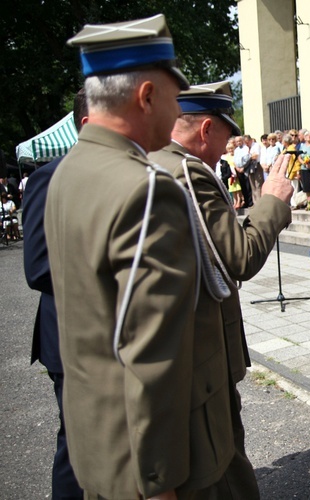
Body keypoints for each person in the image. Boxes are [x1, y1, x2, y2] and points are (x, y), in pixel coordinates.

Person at [44, 15, 230, 498]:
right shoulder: (147, 190)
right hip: (149, 467)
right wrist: (159, 481)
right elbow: (151, 356)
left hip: (98, 446)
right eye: (173, 96)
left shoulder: (69, 171)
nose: (177, 112)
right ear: (146, 95)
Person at [149, 80, 293, 499]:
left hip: (181, 352)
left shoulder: (154, 161)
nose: (226, 148)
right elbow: (239, 259)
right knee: (224, 469)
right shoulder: (189, 171)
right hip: (200, 356)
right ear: (207, 128)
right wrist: (273, 202)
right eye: (227, 136)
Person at [22, 89, 87, 500]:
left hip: (116, 340)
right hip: (70, 336)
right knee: (78, 447)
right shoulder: (51, 176)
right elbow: (39, 267)